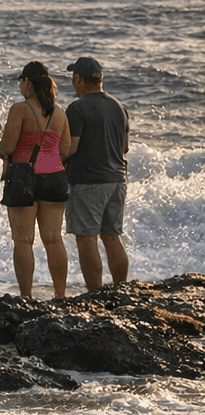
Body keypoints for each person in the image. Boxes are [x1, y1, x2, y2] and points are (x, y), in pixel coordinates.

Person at [0, 61, 73, 299]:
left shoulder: (21, 109)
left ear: (27, 82)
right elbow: (65, 150)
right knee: (54, 240)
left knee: (23, 241)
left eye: (21, 81)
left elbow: (7, 148)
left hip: (24, 178)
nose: (20, 86)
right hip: (54, 177)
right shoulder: (60, 113)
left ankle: (26, 297)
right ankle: (60, 295)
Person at [63, 56, 130, 291]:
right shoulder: (119, 107)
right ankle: (121, 289)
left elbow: (69, 149)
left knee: (86, 239)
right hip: (117, 180)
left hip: (88, 182)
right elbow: (125, 147)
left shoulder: (77, 108)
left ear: (78, 79)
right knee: (112, 236)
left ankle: (95, 293)